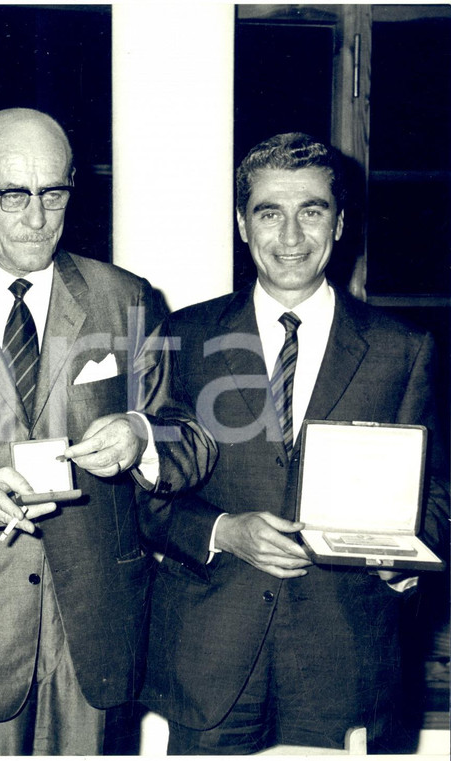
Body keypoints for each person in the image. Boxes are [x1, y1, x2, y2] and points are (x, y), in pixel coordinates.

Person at [0, 107, 216, 755]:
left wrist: (142, 437)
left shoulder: (127, 299)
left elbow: (191, 439)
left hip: (96, 633)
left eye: (53, 192)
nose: (36, 217)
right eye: (13, 194)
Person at [139, 132, 450, 754]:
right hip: (211, 661)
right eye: (268, 213)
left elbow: (437, 496)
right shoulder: (185, 336)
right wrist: (224, 531)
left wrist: (403, 558)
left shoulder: (402, 348)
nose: (290, 236)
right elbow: (146, 493)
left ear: (339, 224)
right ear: (241, 224)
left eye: (311, 211)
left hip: (348, 662)